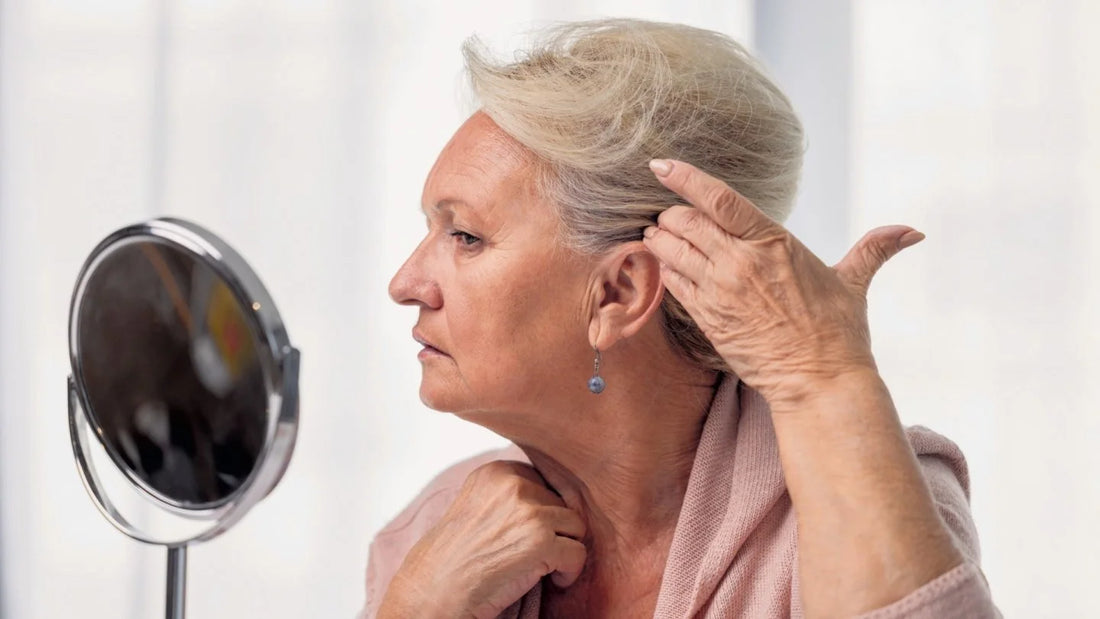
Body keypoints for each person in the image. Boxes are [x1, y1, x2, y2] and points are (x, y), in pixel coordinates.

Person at [362, 18, 998, 618]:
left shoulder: (861, 490)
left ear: (619, 293)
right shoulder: (443, 532)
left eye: (466, 236)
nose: (406, 284)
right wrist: (415, 604)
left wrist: (827, 378)